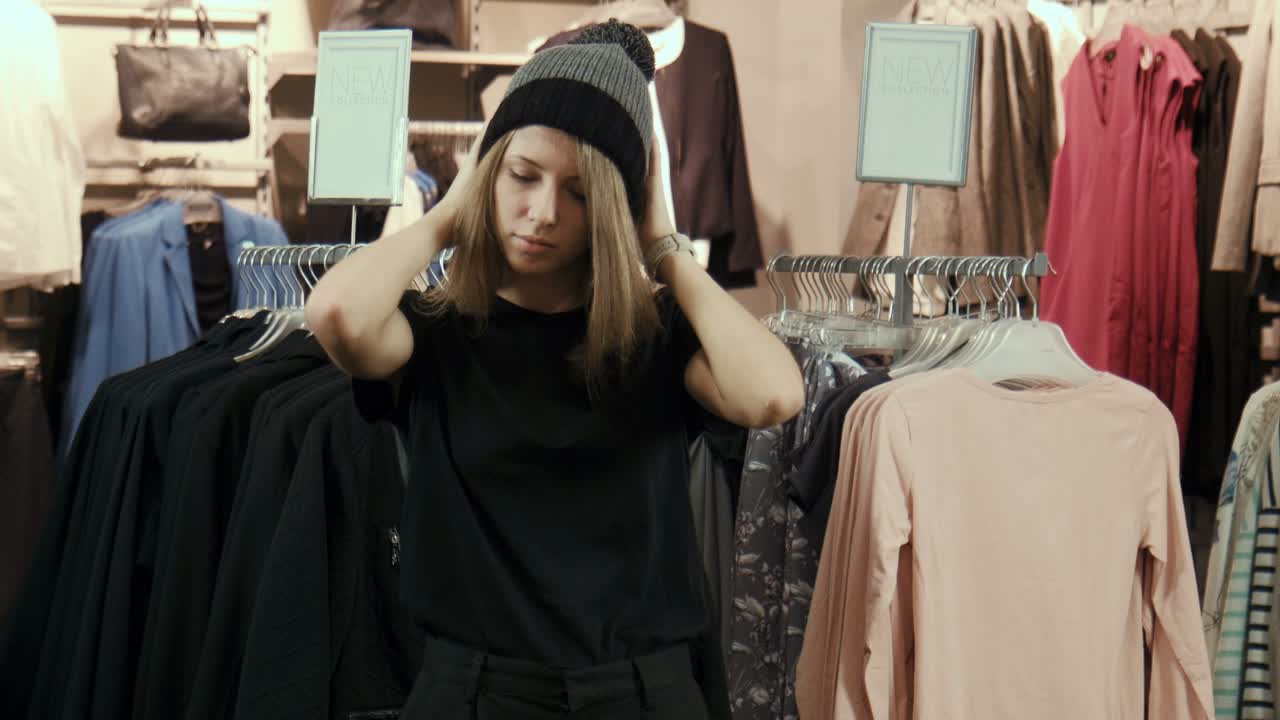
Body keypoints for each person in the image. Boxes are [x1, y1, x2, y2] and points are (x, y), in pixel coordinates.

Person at [306, 20, 804, 720]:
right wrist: (450, 213)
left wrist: (662, 246)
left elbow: (776, 394)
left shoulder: (653, 337)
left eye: (578, 193)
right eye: (522, 175)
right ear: (490, 170)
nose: (541, 214)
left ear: (610, 208)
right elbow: (335, 315)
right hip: (471, 694)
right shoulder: (438, 334)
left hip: (641, 695)